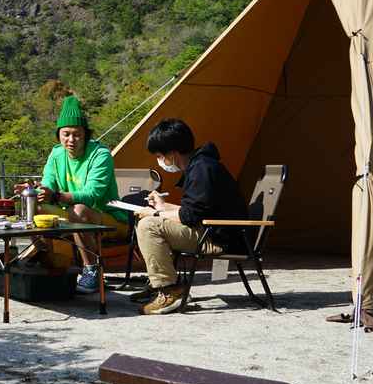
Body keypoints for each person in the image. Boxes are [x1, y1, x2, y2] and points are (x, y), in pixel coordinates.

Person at [135, 118, 248, 315]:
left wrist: (155, 212)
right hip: (212, 230)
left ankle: (169, 291)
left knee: (149, 225)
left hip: (218, 238)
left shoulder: (202, 169)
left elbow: (190, 216)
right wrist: (162, 206)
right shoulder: (201, 164)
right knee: (150, 220)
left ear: (172, 153)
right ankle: (165, 284)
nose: (160, 161)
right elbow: (196, 209)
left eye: (160, 156)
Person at [19, 96, 129, 295]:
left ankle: (92, 271)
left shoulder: (100, 154)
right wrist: (36, 190)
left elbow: (92, 194)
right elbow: (48, 184)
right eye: (66, 134)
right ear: (59, 135)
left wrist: (57, 196)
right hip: (69, 214)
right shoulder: (56, 154)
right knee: (34, 205)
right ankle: (49, 262)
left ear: (85, 135)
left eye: (77, 135)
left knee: (78, 210)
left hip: (108, 218)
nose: (71, 140)